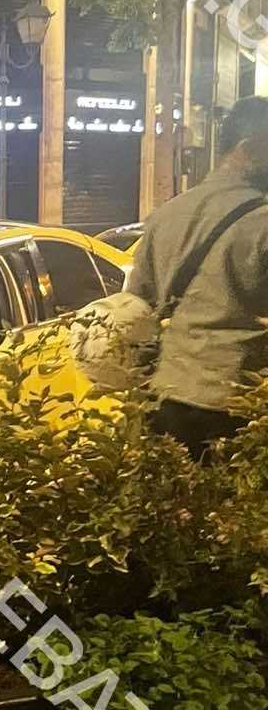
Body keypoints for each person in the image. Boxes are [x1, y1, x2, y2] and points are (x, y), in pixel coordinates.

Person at [129, 94, 268, 459]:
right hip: (238, 407)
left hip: (165, 399)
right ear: (248, 149)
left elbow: (136, 309)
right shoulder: (263, 222)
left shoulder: (165, 215)